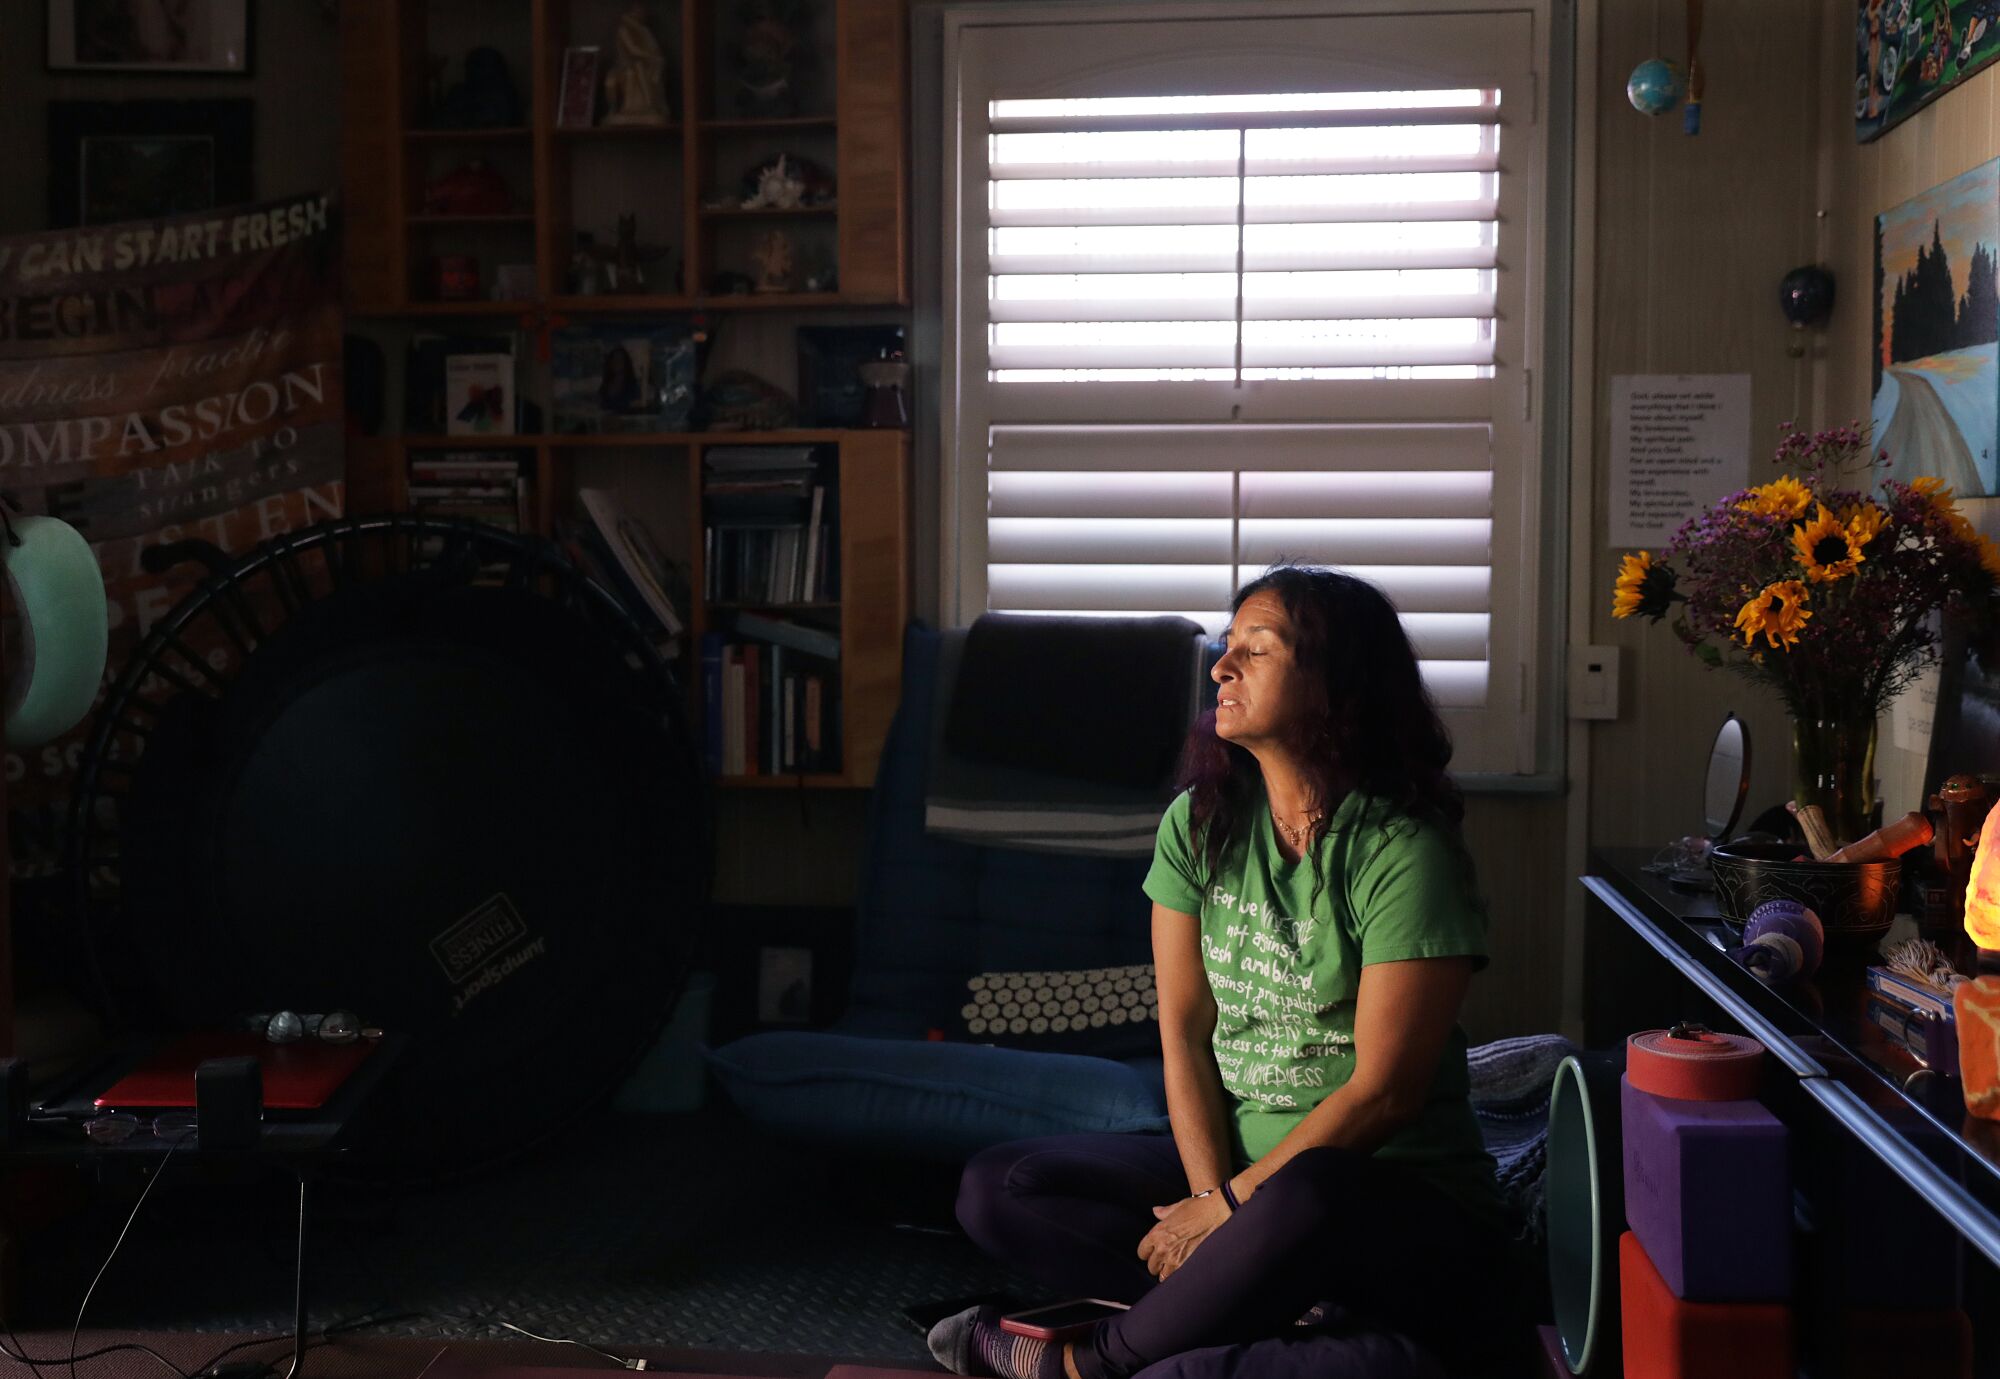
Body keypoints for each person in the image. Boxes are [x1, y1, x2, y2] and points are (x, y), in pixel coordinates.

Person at [931, 567, 1529, 1379]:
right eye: (1228, 643)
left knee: (1313, 1191)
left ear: (1334, 683)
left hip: (1383, 1198)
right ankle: (1257, 1318)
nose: (1222, 665)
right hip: (1240, 1182)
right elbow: (1183, 1033)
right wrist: (1215, 1204)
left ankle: (1093, 1363)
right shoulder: (1199, 822)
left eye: (1259, 647)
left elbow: (1385, 1093)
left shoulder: (1404, 850)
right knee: (1000, 1185)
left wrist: (1232, 1211)